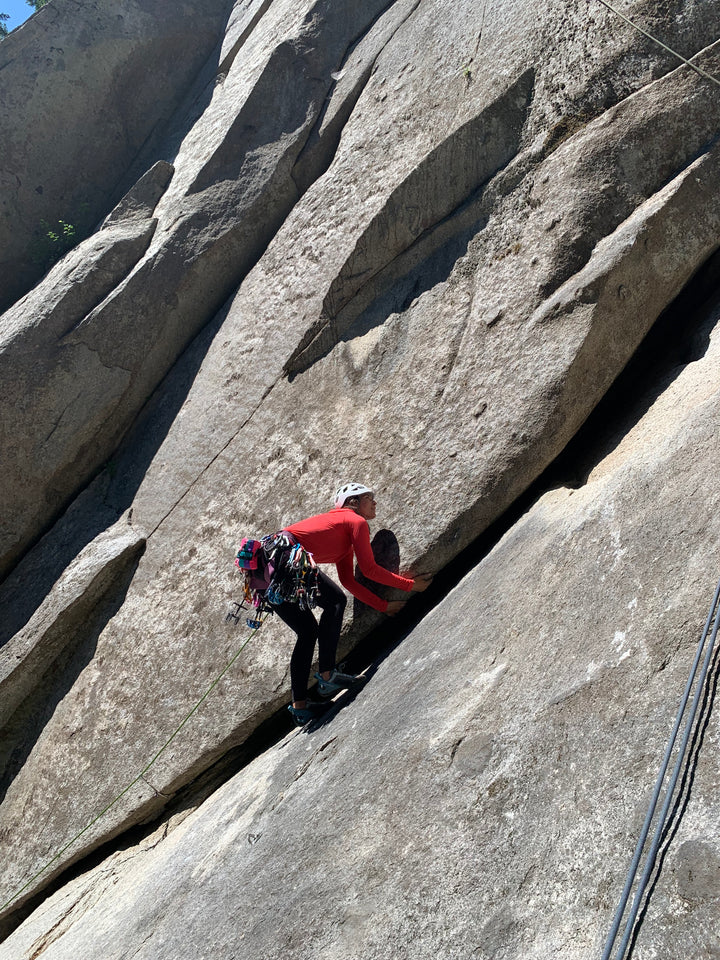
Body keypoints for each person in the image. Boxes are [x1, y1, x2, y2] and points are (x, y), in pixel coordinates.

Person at [277, 482, 433, 726]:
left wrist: (383, 606)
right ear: (353, 502)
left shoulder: (342, 536)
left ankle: (301, 707)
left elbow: (348, 580)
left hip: (266, 570)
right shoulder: (355, 521)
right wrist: (410, 586)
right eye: (369, 497)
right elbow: (369, 570)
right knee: (334, 601)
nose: (375, 502)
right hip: (287, 558)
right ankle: (328, 675)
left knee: (307, 632)